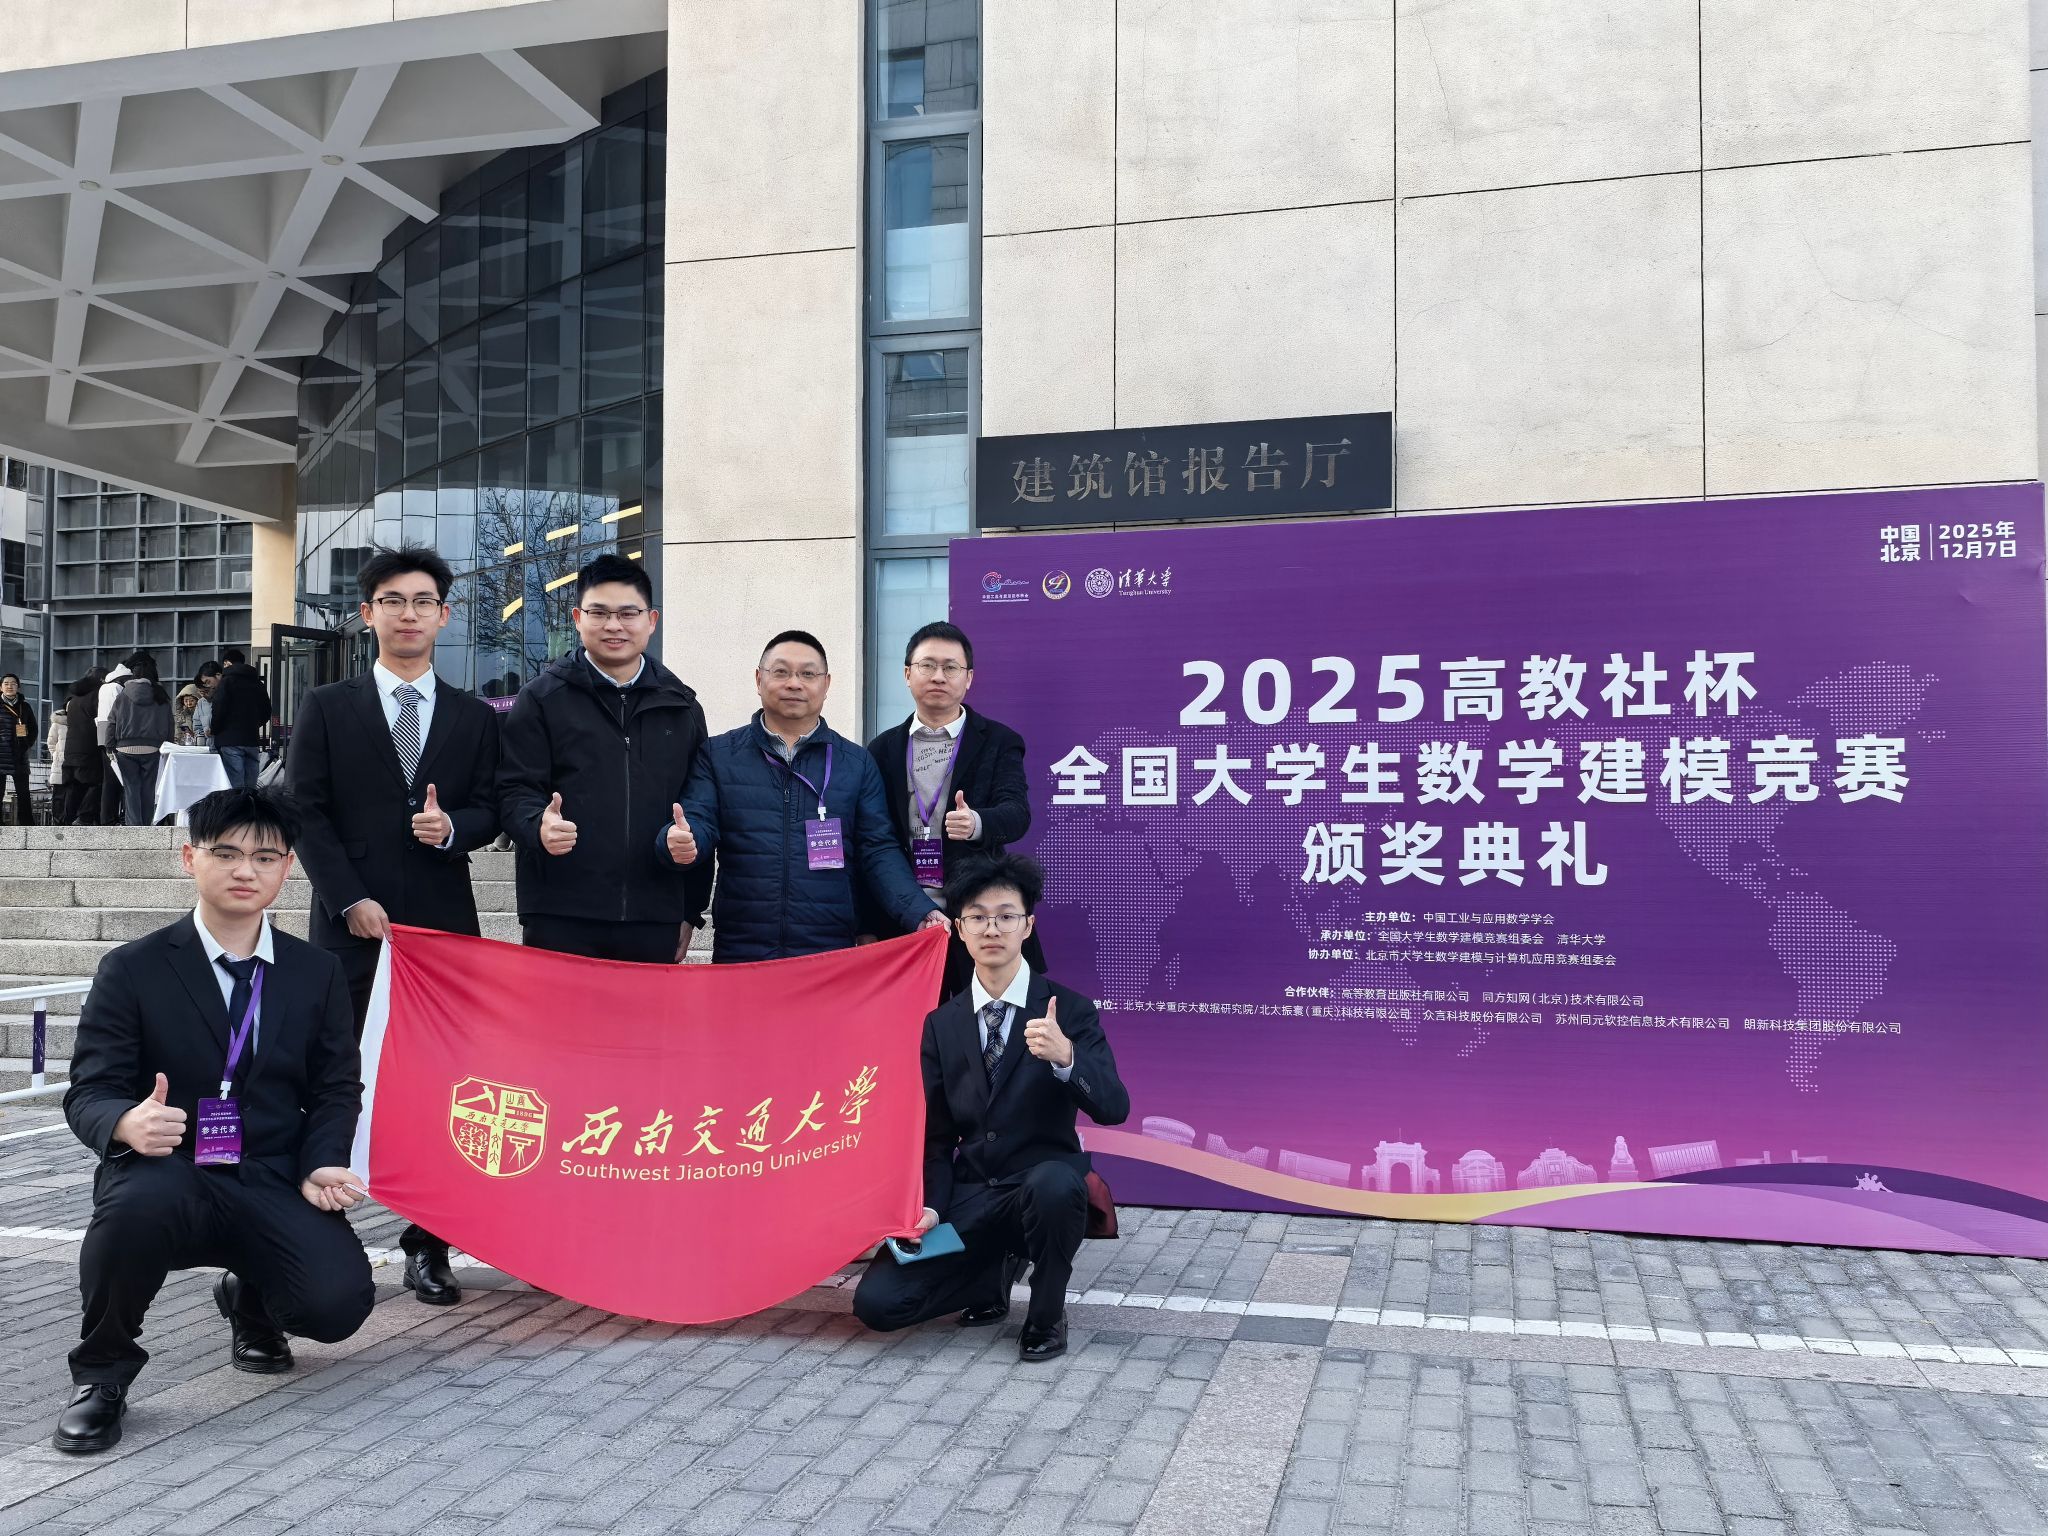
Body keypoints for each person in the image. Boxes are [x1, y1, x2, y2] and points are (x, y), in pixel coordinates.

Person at [54, 786, 374, 1455]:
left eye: (264, 857)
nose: (244, 870)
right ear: (189, 858)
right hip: (169, 1169)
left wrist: (321, 1160)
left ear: (288, 868)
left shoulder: (315, 972)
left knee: (336, 1305)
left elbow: (336, 1086)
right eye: (225, 853)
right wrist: (125, 1122)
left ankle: (251, 1302)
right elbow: (90, 1090)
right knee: (131, 1217)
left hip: (271, 1171)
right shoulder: (134, 968)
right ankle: (102, 1376)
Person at [288, 546, 500, 1306]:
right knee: (336, 1073)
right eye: (392, 601)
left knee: (440, 1083)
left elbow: (494, 806)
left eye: (422, 602)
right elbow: (304, 808)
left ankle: (428, 1243)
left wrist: (454, 828)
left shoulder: (474, 715)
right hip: (349, 928)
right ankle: (323, 1227)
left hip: (441, 932)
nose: (408, 614)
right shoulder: (328, 706)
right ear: (367, 613)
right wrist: (348, 898)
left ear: (444, 615)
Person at [852, 854, 1128, 1362]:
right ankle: (990, 1273)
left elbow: (1114, 1107)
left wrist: (1066, 1057)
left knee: (1054, 1185)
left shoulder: (1069, 1009)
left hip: (1042, 1188)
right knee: (878, 1305)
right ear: (960, 929)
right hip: (973, 1195)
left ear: (1028, 926)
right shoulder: (942, 1023)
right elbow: (936, 1136)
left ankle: (1046, 1314)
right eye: (977, 917)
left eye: (1006, 916)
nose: (992, 929)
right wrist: (932, 1207)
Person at [670, 630, 946, 962]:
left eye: (808, 674)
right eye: (781, 672)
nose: (794, 683)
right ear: (759, 679)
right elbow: (698, 823)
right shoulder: (718, 755)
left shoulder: (856, 763)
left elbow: (878, 850)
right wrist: (683, 841)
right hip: (742, 951)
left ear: (826, 684)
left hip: (829, 953)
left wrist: (918, 910)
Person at [498, 553, 712, 963]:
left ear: (651, 620)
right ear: (578, 619)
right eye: (599, 613)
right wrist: (537, 825)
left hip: (655, 913)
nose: (614, 625)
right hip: (560, 914)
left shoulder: (681, 707)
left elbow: (701, 806)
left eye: (628, 613)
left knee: (646, 1010)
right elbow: (513, 790)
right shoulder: (541, 699)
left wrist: (690, 910)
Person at [863, 621, 1041, 996]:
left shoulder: (998, 740)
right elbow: (872, 841)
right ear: (907, 674)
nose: (938, 676)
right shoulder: (881, 750)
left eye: (951, 667)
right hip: (905, 920)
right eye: (927, 665)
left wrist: (977, 823)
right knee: (913, 1025)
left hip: (978, 916)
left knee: (984, 1024)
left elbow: (1017, 813)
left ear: (969, 677)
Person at [110, 654, 172, 828]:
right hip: (152, 748)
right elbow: (169, 722)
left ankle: (134, 826)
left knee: (131, 788)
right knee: (148, 788)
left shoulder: (122, 695)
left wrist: (109, 744)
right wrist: (168, 744)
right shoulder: (160, 694)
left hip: (125, 748)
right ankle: (146, 825)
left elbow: (112, 721)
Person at [210, 648, 273, 791]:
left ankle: (238, 805)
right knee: (250, 787)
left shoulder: (226, 682)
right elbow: (266, 711)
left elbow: (219, 709)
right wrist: (254, 725)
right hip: (251, 740)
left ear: (227, 663)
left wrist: (215, 730)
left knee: (235, 787)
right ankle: (249, 805)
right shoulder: (257, 683)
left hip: (229, 740)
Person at [58, 672, 103, 825]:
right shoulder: (97, 695)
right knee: (96, 783)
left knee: (74, 786)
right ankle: (85, 817)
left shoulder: (73, 699)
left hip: (71, 750)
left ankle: (67, 819)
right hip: (89, 748)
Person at [93, 655, 132, 824]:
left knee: (109, 779)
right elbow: (121, 713)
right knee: (116, 779)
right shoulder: (117, 688)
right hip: (115, 735)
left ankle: (107, 817)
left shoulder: (103, 689)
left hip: (102, 735)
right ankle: (111, 817)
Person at [0, 673, 37, 825]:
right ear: (1, 687)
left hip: (19, 756)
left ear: (18, 687)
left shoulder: (24, 706)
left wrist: (26, 744)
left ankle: (27, 825)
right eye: (6, 683)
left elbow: (33, 729)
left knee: (23, 793)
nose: (10, 686)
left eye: (13, 683)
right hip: (1, 755)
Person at [175, 661, 222, 746]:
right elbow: (197, 727)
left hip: (224, 744)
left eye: (206, 691)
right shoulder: (200, 703)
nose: (203, 695)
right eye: (201, 692)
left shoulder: (222, 699)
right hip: (207, 746)